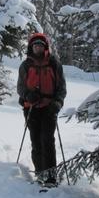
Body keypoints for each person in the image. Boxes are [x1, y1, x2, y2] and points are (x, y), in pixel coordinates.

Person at [17, 33, 67, 186]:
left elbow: (61, 88)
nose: (37, 47)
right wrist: (28, 95)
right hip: (31, 107)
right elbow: (20, 87)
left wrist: (57, 103)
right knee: (36, 140)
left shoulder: (54, 64)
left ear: (45, 47)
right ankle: (40, 172)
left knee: (48, 140)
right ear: (31, 47)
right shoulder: (25, 65)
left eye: (40, 45)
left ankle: (51, 176)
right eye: (35, 45)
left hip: (49, 107)